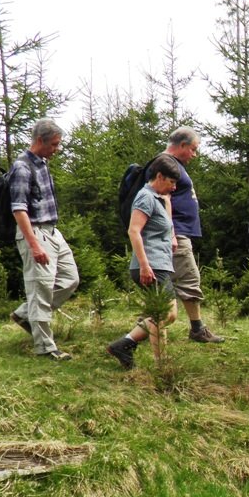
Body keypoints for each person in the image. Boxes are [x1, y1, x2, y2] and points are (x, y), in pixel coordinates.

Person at [8, 118, 81, 360]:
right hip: (35, 232)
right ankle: (46, 349)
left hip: (52, 230)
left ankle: (24, 314)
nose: (57, 149)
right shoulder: (22, 167)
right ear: (40, 140)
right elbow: (18, 209)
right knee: (40, 290)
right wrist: (34, 243)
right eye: (54, 144)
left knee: (70, 279)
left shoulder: (42, 163)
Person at [106, 156, 182, 370]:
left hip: (160, 264)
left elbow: (164, 224)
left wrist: (172, 237)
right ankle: (132, 347)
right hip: (151, 265)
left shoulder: (158, 198)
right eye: (171, 182)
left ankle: (155, 360)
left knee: (160, 315)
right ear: (159, 176)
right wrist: (145, 265)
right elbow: (134, 231)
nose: (174, 187)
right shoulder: (145, 197)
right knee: (165, 314)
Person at [162, 126, 225, 344]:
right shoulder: (166, 164)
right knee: (189, 277)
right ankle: (196, 329)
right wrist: (169, 231)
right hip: (175, 232)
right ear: (182, 145)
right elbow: (161, 197)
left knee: (181, 278)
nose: (194, 155)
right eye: (193, 149)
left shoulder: (173, 164)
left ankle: (193, 327)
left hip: (178, 231)